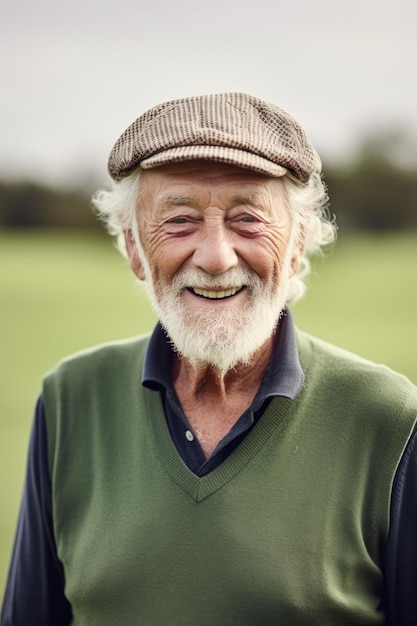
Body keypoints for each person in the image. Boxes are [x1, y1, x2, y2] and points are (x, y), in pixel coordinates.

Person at [2, 92, 417, 626]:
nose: (217, 257)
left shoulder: (389, 419)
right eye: (179, 221)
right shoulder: (70, 400)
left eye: (247, 219)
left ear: (296, 246)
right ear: (133, 249)